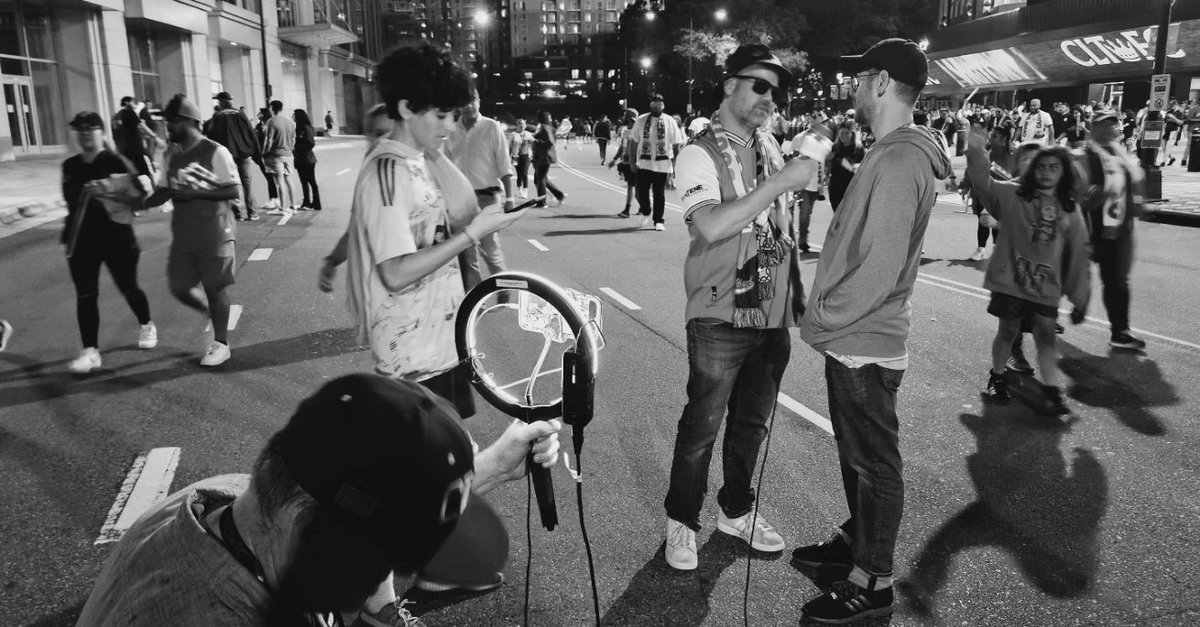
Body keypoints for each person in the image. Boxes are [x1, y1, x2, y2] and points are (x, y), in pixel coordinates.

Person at [77, 373, 562, 626]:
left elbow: (383, 510)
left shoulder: (231, 500)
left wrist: (496, 464)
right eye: (384, 560)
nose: (388, 580)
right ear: (303, 525)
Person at [795, 38, 952, 624]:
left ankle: (873, 581)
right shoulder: (888, 152)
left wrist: (823, 320)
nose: (853, 87)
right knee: (857, 457)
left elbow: (879, 266)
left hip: (865, 338)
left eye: (861, 77)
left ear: (883, 83)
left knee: (874, 465)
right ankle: (854, 546)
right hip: (857, 339)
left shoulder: (899, 159)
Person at [664, 43, 821, 572]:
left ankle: (735, 509)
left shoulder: (772, 148)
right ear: (729, 84)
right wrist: (781, 182)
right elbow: (708, 225)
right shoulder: (698, 152)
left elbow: (775, 227)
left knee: (752, 424)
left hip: (770, 308)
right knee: (702, 425)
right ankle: (681, 521)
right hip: (718, 312)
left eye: (776, 93)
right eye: (760, 85)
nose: (769, 99)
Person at [967, 133, 1091, 414]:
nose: (1046, 173)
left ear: (1064, 172)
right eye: (1041, 167)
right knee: (1008, 330)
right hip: (1011, 281)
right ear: (1033, 170)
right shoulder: (1014, 194)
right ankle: (997, 376)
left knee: (1046, 335)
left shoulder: (1070, 209)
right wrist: (976, 153)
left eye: (1054, 167)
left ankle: (1051, 388)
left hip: (1046, 286)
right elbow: (984, 185)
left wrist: (1080, 296)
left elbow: (1078, 256)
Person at [145, 94, 240, 367]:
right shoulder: (171, 154)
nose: (168, 128)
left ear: (188, 121)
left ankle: (221, 343)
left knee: (214, 287)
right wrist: (136, 201)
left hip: (215, 232)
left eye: (171, 122)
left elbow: (233, 190)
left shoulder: (215, 151)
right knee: (179, 286)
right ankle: (211, 312)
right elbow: (164, 190)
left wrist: (193, 194)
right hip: (184, 234)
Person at [61, 111, 156, 374]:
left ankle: (146, 322)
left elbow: (140, 202)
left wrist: (107, 190)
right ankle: (90, 350)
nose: (84, 133)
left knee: (128, 287)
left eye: (90, 128)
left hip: (117, 238)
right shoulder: (70, 166)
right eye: (79, 129)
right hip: (81, 239)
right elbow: (70, 203)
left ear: (101, 132)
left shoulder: (117, 162)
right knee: (86, 295)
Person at [1078, 109, 1147, 351]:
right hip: (1093, 230)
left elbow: (1130, 185)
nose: (1112, 128)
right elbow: (1078, 197)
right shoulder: (1085, 156)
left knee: (1117, 281)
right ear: (1094, 128)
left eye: (1114, 123)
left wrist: (1137, 203)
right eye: (1105, 124)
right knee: (1074, 277)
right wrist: (1098, 193)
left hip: (1119, 232)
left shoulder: (1120, 153)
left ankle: (1120, 331)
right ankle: (1066, 308)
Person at [445, 90, 517, 291]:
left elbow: (504, 164)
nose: (469, 106)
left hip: (488, 198)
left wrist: (510, 198)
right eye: (465, 103)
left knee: (490, 249)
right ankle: (475, 300)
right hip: (460, 200)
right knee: (466, 254)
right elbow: (446, 167)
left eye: (473, 101)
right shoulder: (451, 131)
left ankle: (503, 288)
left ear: (479, 101)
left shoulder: (491, 127)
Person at [629, 93, 684, 231]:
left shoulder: (669, 121)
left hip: (662, 165)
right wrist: (632, 161)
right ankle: (646, 210)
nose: (657, 105)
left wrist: (678, 165)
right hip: (644, 163)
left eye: (659, 103)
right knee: (642, 191)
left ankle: (658, 220)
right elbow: (634, 142)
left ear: (663, 105)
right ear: (650, 105)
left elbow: (676, 145)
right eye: (654, 103)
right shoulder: (641, 120)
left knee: (659, 194)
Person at [204, 92, 263, 221]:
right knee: (247, 184)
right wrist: (257, 155)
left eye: (218, 101)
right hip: (243, 154)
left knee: (231, 183)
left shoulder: (218, 116)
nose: (218, 103)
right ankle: (252, 212)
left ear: (222, 102)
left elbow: (212, 136)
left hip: (227, 156)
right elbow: (251, 133)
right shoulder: (240, 114)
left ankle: (237, 213)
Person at [263, 100, 298, 215]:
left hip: (276, 155)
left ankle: (283, 208)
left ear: (272, 108)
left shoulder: (271, 121)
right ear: (281, 109)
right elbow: (293, 139)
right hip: (288, 154)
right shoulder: (290, 122)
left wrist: (265, 152)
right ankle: (293, 206)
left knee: (279, 181)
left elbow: (268, 139)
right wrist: (289, 149)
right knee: (289, 179)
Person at [826, 119, 865, 212]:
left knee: (848, 214)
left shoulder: (858, 148)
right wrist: (827, 173)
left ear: (852, 134)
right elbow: (828, 162)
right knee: (837, 212)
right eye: (841, 133)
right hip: (835, 185)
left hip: (852, 186)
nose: (843, 135)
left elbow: (864, 167)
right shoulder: (835, 147)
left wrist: (850, 166)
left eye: (847, 133)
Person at [532, 110, 565, 207]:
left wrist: (535, 141)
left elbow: (549, 142)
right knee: (542, 178)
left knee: (540, 179)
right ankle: (559, 195)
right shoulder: (545, 127)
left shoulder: (545, 127)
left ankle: (542, 202)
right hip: (542, 156)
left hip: (545, 156)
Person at [112, 96, 152, 177]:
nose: (135, 105)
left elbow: (115, 132)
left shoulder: (117, 115)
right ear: (127, 103)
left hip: (125, 149)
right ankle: (153, 188)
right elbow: (141, 126)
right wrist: (154, 136)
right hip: (135, 148)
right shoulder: (129, 112)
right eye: (133, 102)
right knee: (146, 171)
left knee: (132, 174)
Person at [610, 108, 639, 217]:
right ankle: (638, 209)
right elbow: (623, 146)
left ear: (630, 119)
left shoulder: (637, 132)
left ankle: (639, 209)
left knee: (635, 190)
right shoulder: (626, 131)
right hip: (627, 162)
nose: (623, 118)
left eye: (625, 116)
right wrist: (615, 159)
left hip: (635, 163)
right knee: (633, 189)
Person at [292, 109, 322, 211]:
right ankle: (309, 202)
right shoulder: (306, 127)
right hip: (305, 158)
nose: (293, 117)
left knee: (309, 181)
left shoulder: (303, 128)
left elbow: (310, 143)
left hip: (305, 159)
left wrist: (297, 149)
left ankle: (312, 202)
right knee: (306, 181)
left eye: (294, 115)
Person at [510, 119, 534, 199]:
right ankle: (519, 189)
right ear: (517, 125)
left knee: (525, 173)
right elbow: (510, 146)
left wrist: (531, 141)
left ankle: (525, 191)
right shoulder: (513, 134)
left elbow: (533, 144)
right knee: (519, 174)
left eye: (523, 124)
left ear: (525, 125)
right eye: (520, 124)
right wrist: (509, 157)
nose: (522, 125)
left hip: (526, 156)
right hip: (516, 157)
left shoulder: (528, 134)